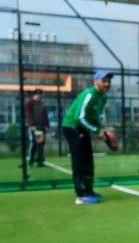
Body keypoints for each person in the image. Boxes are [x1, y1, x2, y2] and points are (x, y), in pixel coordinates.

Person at [62, 70, 113, 204]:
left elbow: (96, 116)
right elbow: (80, 118)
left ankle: (89, 191)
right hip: (72, 127)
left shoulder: (103, 97)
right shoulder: (89, 94)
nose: (107, 84)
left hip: (83, 128)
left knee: (88, 161)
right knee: (80, 161)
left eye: (108, 81)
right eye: (104, 81)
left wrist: (101, 130)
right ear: (95, 81)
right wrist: (97, 131)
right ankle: (81, 196)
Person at [25, 88, 50, 167]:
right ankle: (31, 160)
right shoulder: (30, 103)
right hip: (35, 126)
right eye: (41, 94)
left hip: (41, 126)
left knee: (41, 143)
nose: (42, 96)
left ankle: (39, 160)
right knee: (35, 143)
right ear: (37, 95)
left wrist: (47, 125)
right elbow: (28, 114)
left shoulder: (42, 103)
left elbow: (45, 115)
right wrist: (32, 125)